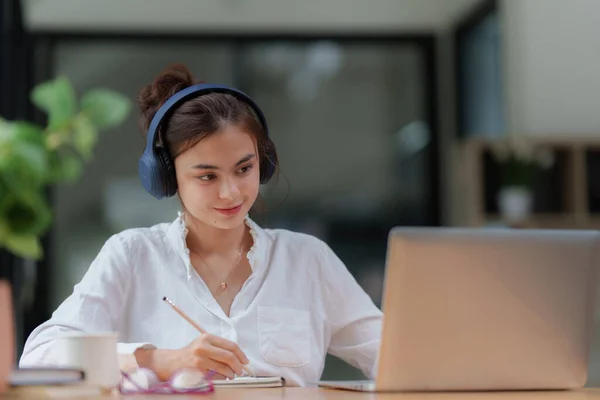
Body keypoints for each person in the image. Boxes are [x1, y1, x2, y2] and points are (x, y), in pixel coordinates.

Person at [19, 63, 383, 387]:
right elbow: (40, 356)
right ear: (166, 176)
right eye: (207, 176)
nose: (231, 193)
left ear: (265, 162)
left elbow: (394, 354)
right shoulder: (132, 255)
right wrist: (160, 360)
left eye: (244, 169)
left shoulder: (308, 260)